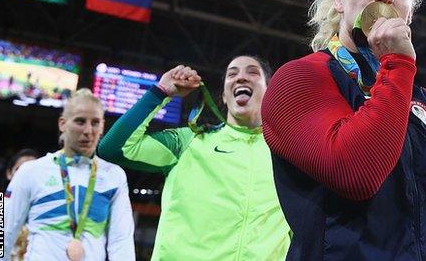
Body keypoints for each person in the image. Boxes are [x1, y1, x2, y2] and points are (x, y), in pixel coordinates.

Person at [261, 0, 426, 260]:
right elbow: (357, 174)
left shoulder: (425, 101)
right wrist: (399, 64)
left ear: (409, 13)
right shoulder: (298, 79)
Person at [97, 56, 291, 260]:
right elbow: (113, 147)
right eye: (232, 74)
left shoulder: (287, 153)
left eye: (252, 72)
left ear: (270, 91)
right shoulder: (188, 141)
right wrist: (161, 91)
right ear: (224, 96)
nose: (241, 78)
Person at [3, 89, 135, 261]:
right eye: (80, 121)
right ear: (62, 124)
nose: (88, 130)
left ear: (102, 126)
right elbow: (0, 231)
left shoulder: (114, 176)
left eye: (95, 123)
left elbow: (122, 242)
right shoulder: (30, 171)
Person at [5, 149, 38, 261]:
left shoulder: (46, 206)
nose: (26, 176)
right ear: (9, 174)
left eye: (33, 171)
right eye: (19, 170)